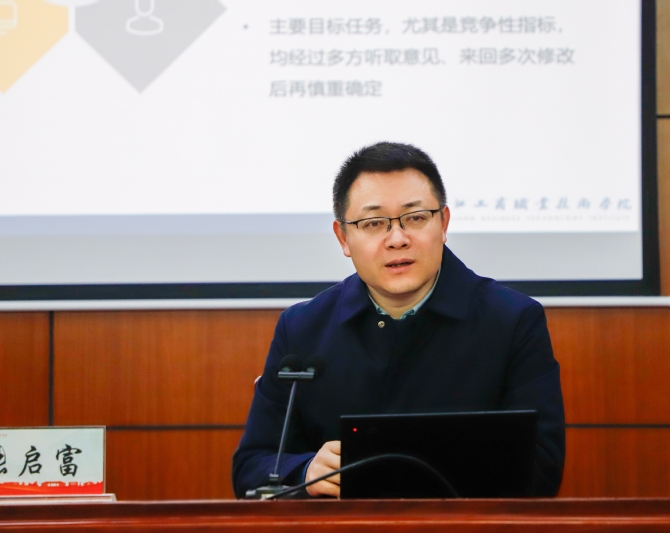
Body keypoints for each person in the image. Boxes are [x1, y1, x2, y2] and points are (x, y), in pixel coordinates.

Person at [232, 142, 565, 498]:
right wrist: (306, 471)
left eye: (415, 218)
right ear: (343, 237)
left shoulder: (512, 321)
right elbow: (252, 466)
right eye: (374, 223)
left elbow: (541, 468)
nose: (397, 239)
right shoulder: (303, 328)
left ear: (444, 223)